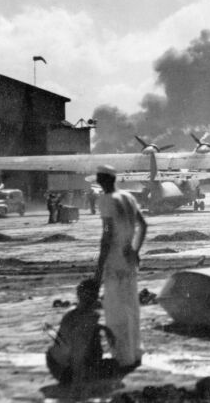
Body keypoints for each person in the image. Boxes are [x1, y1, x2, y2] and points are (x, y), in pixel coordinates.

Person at [93, 164, 146, 371]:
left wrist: (98, 269)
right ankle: (134, 353)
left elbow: (106, 235)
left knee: (115, 311)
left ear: (103, 179)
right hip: (128, 260)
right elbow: (143, 225)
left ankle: (122, 357)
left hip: (114, 260)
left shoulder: (106, 201)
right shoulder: (128, 198)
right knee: (131, 307)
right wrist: (135, 250)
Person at [46, 279, 121, 385]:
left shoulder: (72, 315)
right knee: (113, 366)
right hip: (72, 370)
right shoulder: (80, 317)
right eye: (92, 295)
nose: (93, 298)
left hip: (63, 367)